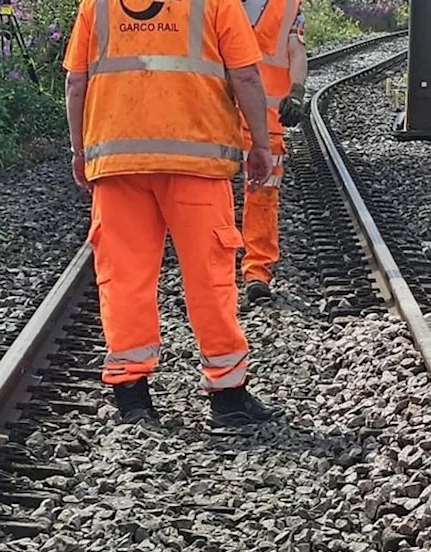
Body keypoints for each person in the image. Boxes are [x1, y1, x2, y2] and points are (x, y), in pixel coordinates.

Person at [64, 0, 281, 428]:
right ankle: (227, 395)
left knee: (124, 278)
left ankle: (132, 397)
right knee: (209, 276)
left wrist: (79, 150)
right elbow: (245, 75)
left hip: (118, 162)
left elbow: (76, 81)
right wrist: (259, 143)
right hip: (196, 163)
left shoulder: (98, 4)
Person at [238, 0, 308, 304]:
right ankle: (216, 271)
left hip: (261, 117)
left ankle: (256, 272)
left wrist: (297, 89)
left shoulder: (289, 5)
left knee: (262, 196)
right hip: (217, 114)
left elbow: (296, 50)